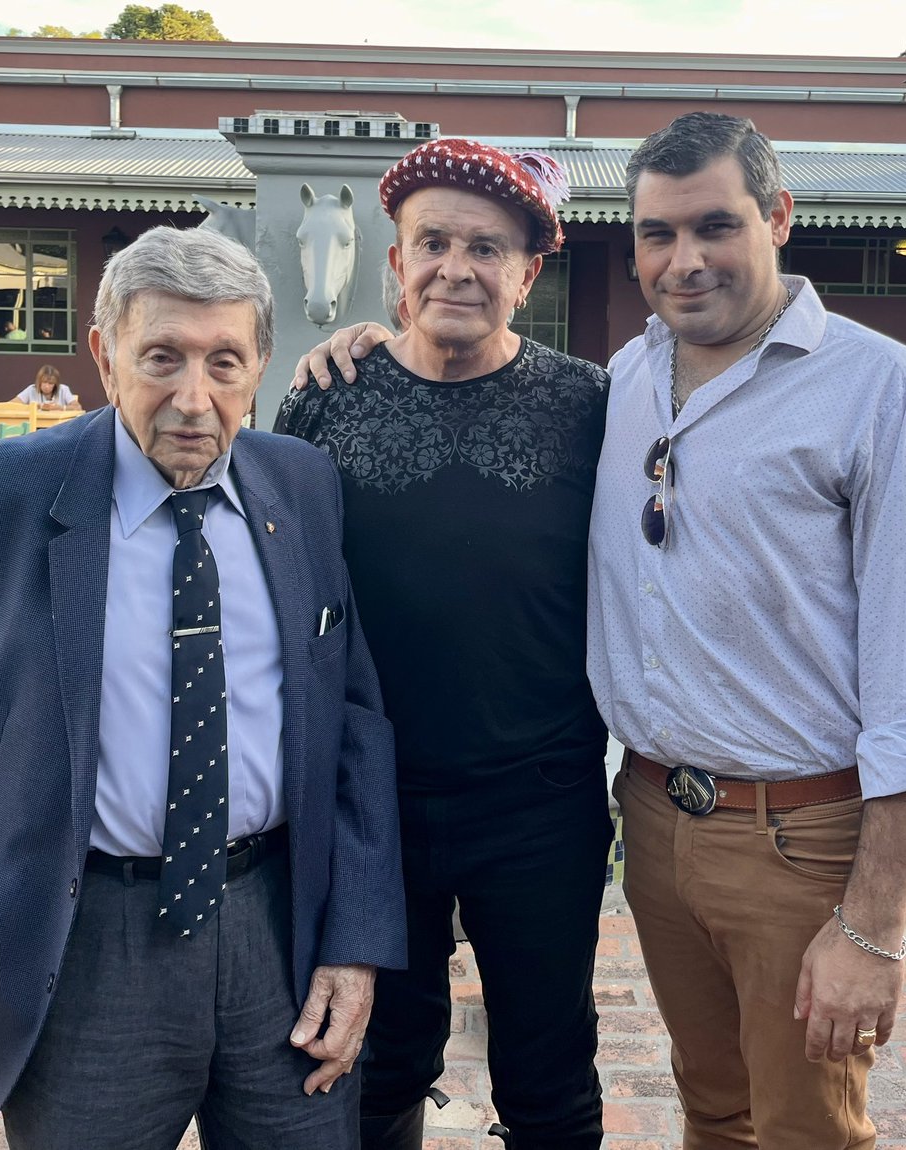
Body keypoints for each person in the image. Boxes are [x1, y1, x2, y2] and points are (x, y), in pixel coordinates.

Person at [0, 226, 405, 1149]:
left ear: (261, 364)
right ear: (104, 356)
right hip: (83, 945)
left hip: (277, 935)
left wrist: (356, 939)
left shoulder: (303, 485)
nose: (193, 397)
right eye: (161, 357)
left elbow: (354, 719)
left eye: (224, 361)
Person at [586, 112, 906, 1147]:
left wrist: (874, 925)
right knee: (715, 1112)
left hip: (802, 841)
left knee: (807, 1130)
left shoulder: (881, 392)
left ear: (780, 219)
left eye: (717, 225)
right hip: (658, 823)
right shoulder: (627, 380)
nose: (687, 259)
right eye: (658, 234)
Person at [276, 139, 612, 1150]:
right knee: (373, 1066)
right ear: (395, 262)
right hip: (373, 805)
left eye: (486, 247)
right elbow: (280, 590)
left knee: (550, 1074)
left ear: (528, 272)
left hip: (539, 794)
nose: (456, 268)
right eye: (433, 243)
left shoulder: (588, 405)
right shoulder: (326, 400)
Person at [13, 363, 82, 410]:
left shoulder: (63, 389)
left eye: (51, 383)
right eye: (44, 382)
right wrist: (35, 407)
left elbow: (78, 407)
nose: (47, 386)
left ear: (55, 384)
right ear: (39, 381)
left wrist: (60, 408)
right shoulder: (31, 389)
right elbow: (11, 405)